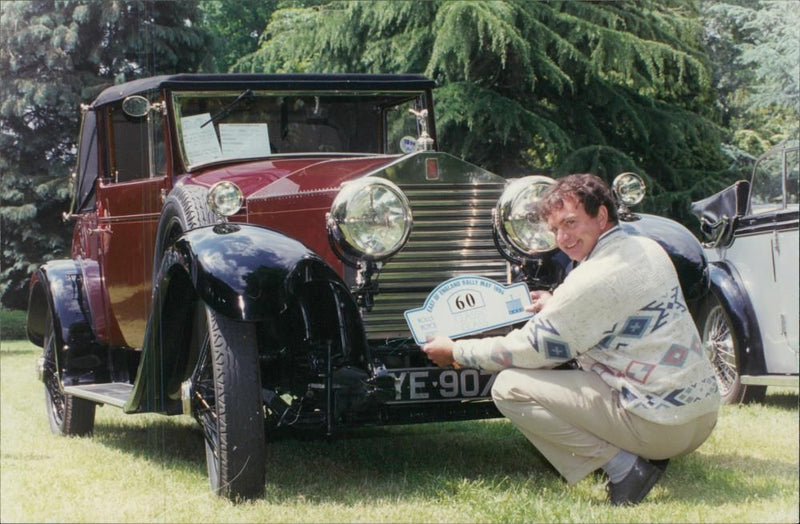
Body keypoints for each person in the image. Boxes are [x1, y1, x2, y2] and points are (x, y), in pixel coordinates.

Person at [422, 173, 720, 506]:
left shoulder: (592, 277)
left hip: (661, 426)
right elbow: (616, 305)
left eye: (571, 223)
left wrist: (457, 351)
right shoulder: (647, 248)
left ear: (602, 216)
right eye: (555, 230)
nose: (563, 238)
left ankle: (626, 470)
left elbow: (530, 350)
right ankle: (643, 451)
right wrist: (557, 303)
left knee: (509, 388)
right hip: (702, 417)